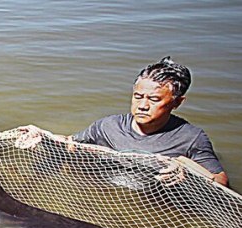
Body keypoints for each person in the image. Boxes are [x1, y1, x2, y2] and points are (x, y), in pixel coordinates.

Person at [18, 57, 228, 186]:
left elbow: (220, 180)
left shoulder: (190, 137)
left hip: (151, 200)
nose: (143, 106)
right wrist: (43, 136)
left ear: (177, 102)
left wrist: (190, 172)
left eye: (154, 99)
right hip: (101, 185)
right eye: (138, 96)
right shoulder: (108, 126)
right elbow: (70, 144)